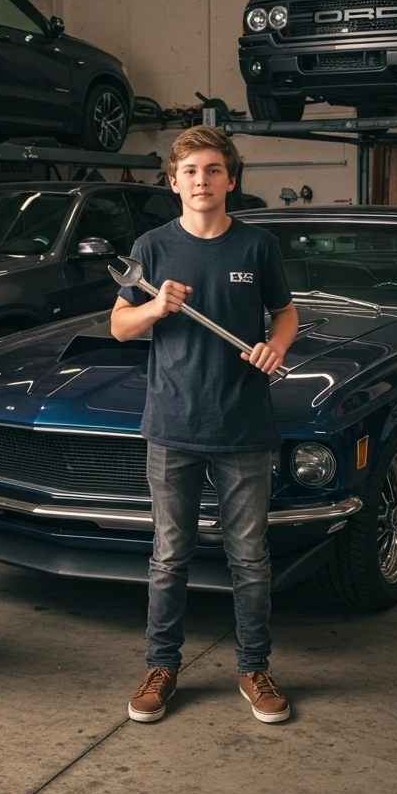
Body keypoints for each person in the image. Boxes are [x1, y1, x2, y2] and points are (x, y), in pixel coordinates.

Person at [111, 125, 299, 725]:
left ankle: (253, 666)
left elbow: (287, 312)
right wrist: (156, 306)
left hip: (244, 426)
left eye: (213, 170)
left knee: (249, 558)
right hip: (172, 426)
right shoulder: (152, 248)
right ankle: (161, 665)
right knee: (170, 556)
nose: (202, 181)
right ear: (173, 183)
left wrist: (277, 346)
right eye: (190, 171)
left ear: (231, 180)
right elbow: (119, 326)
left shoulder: (256, 247)